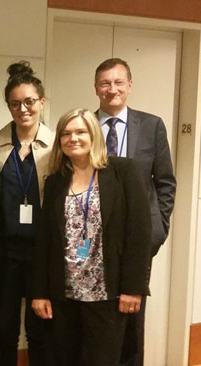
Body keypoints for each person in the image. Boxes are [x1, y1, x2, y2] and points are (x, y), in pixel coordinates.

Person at [31, 108, 151, 366]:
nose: (73, 138)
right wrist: (39, 292)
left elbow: (139, 233)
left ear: (94, 134)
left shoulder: (123, 172)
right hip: (65, 294)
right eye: (66, 133)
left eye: (80, 131)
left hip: (107, 294)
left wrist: (133, 288)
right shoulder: (56, 182)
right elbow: (45, 241)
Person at [93, 58, 176, 366]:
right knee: (97, 316)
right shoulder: (84, 126)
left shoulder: (151, 125)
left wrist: (158, 229)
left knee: (132, 316)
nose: (111, 89)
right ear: (96, 88)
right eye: (104, 83)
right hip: (92, 238)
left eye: (118, 82)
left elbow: (165, 182)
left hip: (138, 240)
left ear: (129, 85)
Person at [0, 61, 53, 366]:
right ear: (8, 106)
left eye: (29, 102)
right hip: (4, 252)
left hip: (42, 252)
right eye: (15, 103)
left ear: (41, 102)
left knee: (40, 330)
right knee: (5, 329)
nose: (23, 109)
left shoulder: (57, 146)